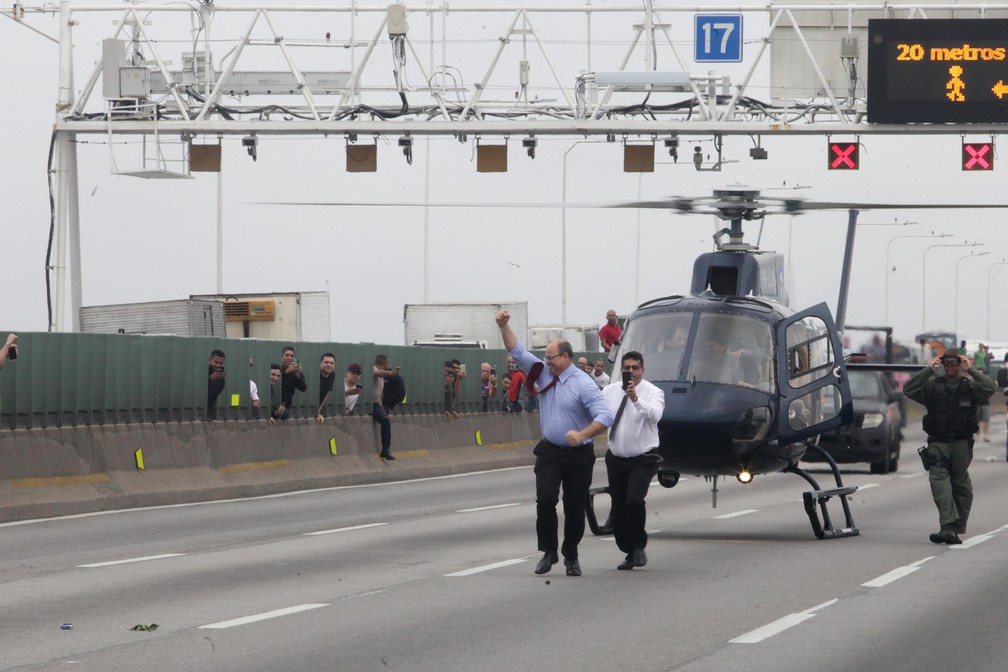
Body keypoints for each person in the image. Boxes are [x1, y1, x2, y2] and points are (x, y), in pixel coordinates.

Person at [496, 309, 613, 577]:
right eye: (546, 357)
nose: (546, 361)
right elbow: (518, 351)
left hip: (578, 455)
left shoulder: (584, 384)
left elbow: (605, 416)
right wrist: (503, 326)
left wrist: (583, 434)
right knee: (546, 499)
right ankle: (549, 551)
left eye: (551, 357)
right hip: (550, 451)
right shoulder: (543, 373)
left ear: (566, 357)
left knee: (574, 507)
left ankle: (571, 554)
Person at [903, 350, 995, 545]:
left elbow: (989, 388)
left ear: (960, 364)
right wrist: (928, 370)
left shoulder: (969, 386)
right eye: (947, 364)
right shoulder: (933, 386)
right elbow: (909, 389)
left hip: (961, 443)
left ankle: (956, 527)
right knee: (939, 480)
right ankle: (947, 525)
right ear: (942, 365)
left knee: (961, 486)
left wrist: (971, 370)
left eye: (954, 363)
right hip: (938, 442)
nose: (951, 367)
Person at [602, 351, 665, 571]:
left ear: (642, 370)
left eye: (635, 368)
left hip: (643, 458)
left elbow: (655, 415)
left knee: (634, 500)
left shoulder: (653, 392)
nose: (631, 372)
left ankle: (638, 545)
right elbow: (597, 415)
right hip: (616, 457)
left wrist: (635, 399)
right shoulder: (609, 391)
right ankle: (628, 550)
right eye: (626, 368)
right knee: (619, 507)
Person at [372, 354, 397, 460]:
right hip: (371, 403)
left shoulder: (382, 376)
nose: (389, 365)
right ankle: (385, 449)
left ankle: (386, 449)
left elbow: (379, 394)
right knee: (385, 421)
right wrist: (389, 373)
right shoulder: (374, 369)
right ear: (384, 363)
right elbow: (377, 373)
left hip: (377, 403)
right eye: (388, 363)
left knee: (385, 417)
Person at [277, 346, 307, 421]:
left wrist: (298, 375)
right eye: (287, 355)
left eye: (292, 356)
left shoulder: (295, 371)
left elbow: (303, 388)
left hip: (287, 404)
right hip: (276, 403)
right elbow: (277, 386)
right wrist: (286, 372)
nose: (289, 358)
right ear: (282, 357)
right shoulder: (278, 370)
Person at [316, 352, 337, 423]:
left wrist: (318, 413)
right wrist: (316, 414)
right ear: (320, 364)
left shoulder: (332, 375)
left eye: (331, 363)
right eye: (326, 362)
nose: (329, 365)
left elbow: (326, 396)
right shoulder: (316, 375)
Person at [206, 349, 226, 421]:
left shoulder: (221, 379)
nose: (218, 365)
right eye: (216, 362)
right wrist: (210, 379)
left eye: (220, 363)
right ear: (209, 361)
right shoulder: (203, 371)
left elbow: (212, 397)